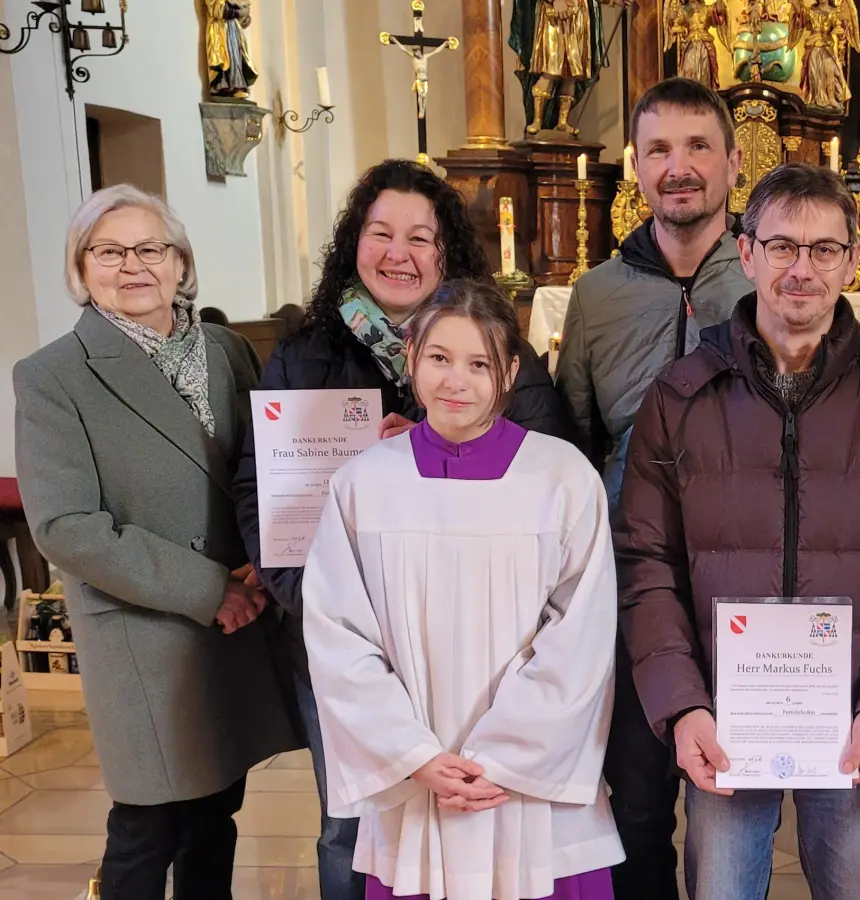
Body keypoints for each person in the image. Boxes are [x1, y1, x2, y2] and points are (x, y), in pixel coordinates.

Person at [233, 158, 578, 900]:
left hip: (482, 643)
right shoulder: (305, 355)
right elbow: (259, 491)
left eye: (419, 237)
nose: (399, 252)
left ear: (446, 251)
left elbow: (546, 471)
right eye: (380, 232)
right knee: (350, 823)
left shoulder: (500, 353)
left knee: (475, 808)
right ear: (354, 243)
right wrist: (319, 609)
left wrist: (429, 443)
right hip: (345, 639)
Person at [615, 163, 860, 900]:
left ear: (854, 259)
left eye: (824, 249)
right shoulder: (680, 397)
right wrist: (683, 704)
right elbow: (646, 562)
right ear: (746, 254)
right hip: (725, 716)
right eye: (782, 247)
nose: (802, 269)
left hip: (853, 718)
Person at [14, 184, 298, 898]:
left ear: (180, 264)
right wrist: (210, 592)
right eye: (109, 251)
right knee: (148, 825)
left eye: (151, 249)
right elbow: (66, 528)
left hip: (239, 616)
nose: (133, 266)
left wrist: (268, 561)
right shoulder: (53, 376)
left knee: (215, 813)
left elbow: (262, 470)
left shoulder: (228, 349)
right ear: (82, 270)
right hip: (151, 628)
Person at [302, 280, 622, 899]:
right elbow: (339, 637)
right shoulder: (364, 484)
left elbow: (581, 633)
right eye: (439, 358)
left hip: (531, 784)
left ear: (508, 370)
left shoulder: (560, 477)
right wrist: (413, 754)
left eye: (479, 363)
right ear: (411, 357)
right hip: (419, 780)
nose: (456, 380)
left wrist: (507, 754)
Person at [556, 76, 752, 898]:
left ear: (735, 164)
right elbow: (570, 435)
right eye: (660, 149)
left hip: (743, 575)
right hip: (631, 581)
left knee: (735, 798)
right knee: (636, 796)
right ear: (635, 167)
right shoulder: (597, 295)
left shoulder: (766, 276)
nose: (679, 167)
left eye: (699, 146)